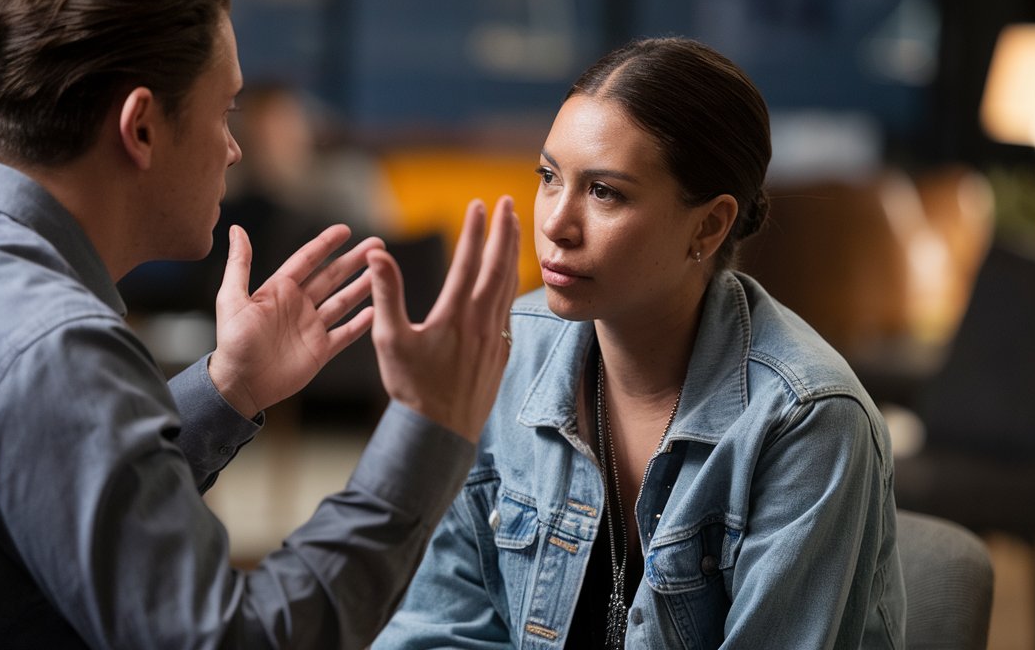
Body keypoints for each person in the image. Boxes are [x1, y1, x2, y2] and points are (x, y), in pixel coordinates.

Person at [0, 0, 519, 649]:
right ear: (140, 127)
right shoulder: (51, 346)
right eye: (226, 110)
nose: (235, 149)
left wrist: (228, 386)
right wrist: (428, 427)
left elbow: (29, 477)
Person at [373, 37, 905, 648]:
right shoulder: (508, 350)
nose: (554, 224)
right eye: (549, 177)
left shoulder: (807, 420)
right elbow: (437, 626)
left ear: (708, 224)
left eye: (605, 192)